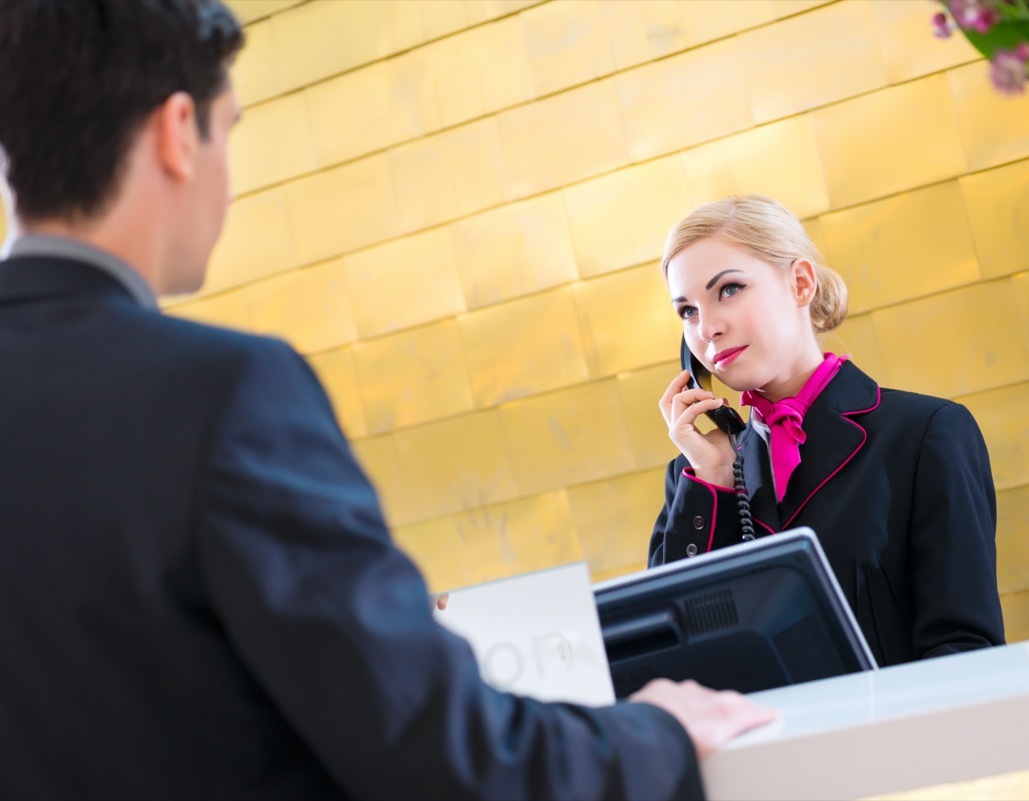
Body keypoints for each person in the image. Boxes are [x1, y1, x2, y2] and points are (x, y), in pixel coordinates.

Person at [0, 2, 776, 799]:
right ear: (175, 133)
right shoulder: (221, 394)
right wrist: (657, 734)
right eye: (228, 130)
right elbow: (441, 753)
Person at [650, 195, 1005, 666]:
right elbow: (669, 661)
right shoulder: (695, 476)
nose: (708, 328)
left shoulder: (925, 435)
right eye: (687, 312)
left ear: (799, 283)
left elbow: (967, 648)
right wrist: (713, 479)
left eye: (729, 290)